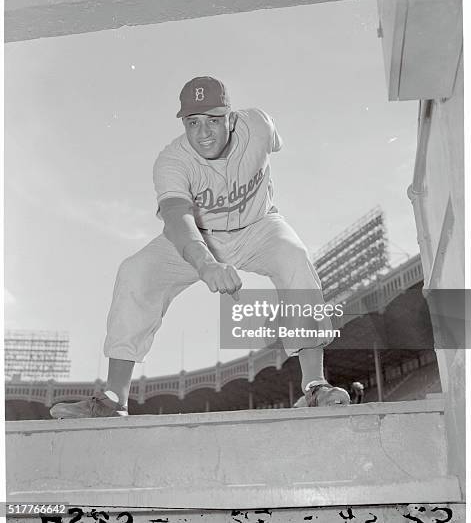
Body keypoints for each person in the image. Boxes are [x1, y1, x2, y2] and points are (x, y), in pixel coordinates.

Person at [50, 76, 350, 419]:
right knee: (135, 271)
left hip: (260, 227)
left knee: (294, 258)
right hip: (201, 236)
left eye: (213, 119)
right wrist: (206, 264)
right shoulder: (172, 161)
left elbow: (281, 147)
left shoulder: (259, 126)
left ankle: (314, 386)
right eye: (193, 122)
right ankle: (113, 398)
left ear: (231, 118)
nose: (203, 132)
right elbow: (178, 221)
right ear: (183, 123)